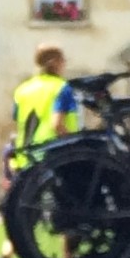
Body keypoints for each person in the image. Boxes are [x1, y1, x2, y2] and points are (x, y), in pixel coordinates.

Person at [9, 43, 83, 174]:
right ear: (55, 63)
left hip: (25, 159)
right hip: (52, 157)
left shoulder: (21, 90)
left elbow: (18, 123)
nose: (64, 65)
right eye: (63, 61)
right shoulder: (62, 88)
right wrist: (76, 149)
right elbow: (57, 125)